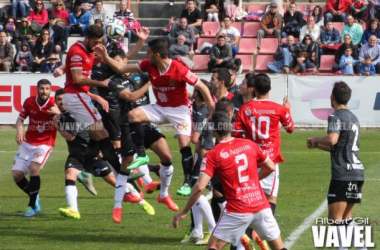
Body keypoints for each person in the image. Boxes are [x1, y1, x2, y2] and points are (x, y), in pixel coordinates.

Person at [94, 37, 215, 212]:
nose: (146, 55)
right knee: (133, 115)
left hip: (179, 110)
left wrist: (211, 108)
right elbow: (121, 67)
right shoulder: (147, 65)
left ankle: (187, 182)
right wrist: (105, 57)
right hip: (160, 107)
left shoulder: (178, 69)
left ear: (157, 54)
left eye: (149, 52)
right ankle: (142, 154)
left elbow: (202, 86)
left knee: (183, 144)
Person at [173, 111, 288, 250]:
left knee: (213, 246)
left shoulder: (212, 155)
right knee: (279, 247)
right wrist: (253, 182)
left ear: (213, 129)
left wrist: (184, 211)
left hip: (238, 210)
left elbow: (199, 188)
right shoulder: (249, 144)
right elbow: (270, 166)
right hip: (261, 206)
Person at [62, 24, 125, 210]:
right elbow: (78, 79)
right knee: (102, 134)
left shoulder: (90, 51)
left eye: (101, 42)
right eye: (96, 42)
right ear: (87, 38)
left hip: (82, 97)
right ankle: (120, 171)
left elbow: (109, 64)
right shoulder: (77, 51)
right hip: (76, 97)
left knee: (100, 134)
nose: (98, 45)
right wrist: (102, 84)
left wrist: (104, 55)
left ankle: (89, 170)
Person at [307, 81, 365, 248]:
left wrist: (316, 139)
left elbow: (333, 139)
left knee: (335, 222)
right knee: (347, 219)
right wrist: (318, 145)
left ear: (332, 97)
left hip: (343, 175)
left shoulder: (335, 116)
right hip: (357, 173)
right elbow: (339, 147)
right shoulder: (354, 118)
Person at [234, 73, 294, 215]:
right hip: (270, 158)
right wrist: (288, 109)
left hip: (251, 158)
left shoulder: (245, 108)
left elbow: (236, 133)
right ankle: (266, 232)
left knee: (249, 196)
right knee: (271, 197)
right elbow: (290, 128)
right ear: (270, 88)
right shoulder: (279, 109)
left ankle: (248, 232)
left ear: (253, 89)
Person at [54, 88, 116, 219]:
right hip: (77, 155)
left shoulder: (71, 115)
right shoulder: (66, 115)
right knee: (69, 175)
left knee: (112, 180)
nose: (61, 102)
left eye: (63, 99)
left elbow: (71, 137)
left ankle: (138, 199)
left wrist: (56, 125)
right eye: (58, 100)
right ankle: (74, 209)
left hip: (89, 154)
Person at [13, 79, 59, 217]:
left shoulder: (54, 104)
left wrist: (58, 113)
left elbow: (66, 120)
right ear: (37, 89)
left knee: (34, 168)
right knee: (17, 175)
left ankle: (32, 205)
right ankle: (34, 195)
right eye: (42, 88)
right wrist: (20, 132)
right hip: (28, 143)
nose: (44, 91)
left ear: (50, 90)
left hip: (45, 143)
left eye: (47, 88)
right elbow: (20, 119)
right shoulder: (29, 102)